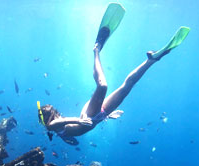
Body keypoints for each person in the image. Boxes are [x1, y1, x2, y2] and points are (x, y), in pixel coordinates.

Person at [37, 3, 190, 145]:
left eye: (54, 114)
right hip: (98, 116)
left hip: (88, 116)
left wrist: (79, 121)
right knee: (126, 87)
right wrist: (104, 118)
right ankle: (151, 60)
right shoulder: (54, 129)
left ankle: (96, 50)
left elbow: (65, 122)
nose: (56, 115)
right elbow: (73, 139)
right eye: (53, 113)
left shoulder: (52, 125)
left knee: (103, 86)